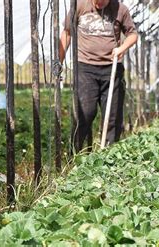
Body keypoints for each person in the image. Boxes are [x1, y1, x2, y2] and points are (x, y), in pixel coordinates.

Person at [59, 0, 138, 152]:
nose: (99, 4)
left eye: (103, 2)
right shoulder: (80, 6)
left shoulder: (120, 9)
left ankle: (109, 155)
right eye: (96, 1)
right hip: (85, 68)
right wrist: (59, 62)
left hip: (112, 69)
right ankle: (73, 153)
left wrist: (122, 48)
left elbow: (132, 34)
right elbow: (67, 33)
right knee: (86, 112)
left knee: (113, 116)